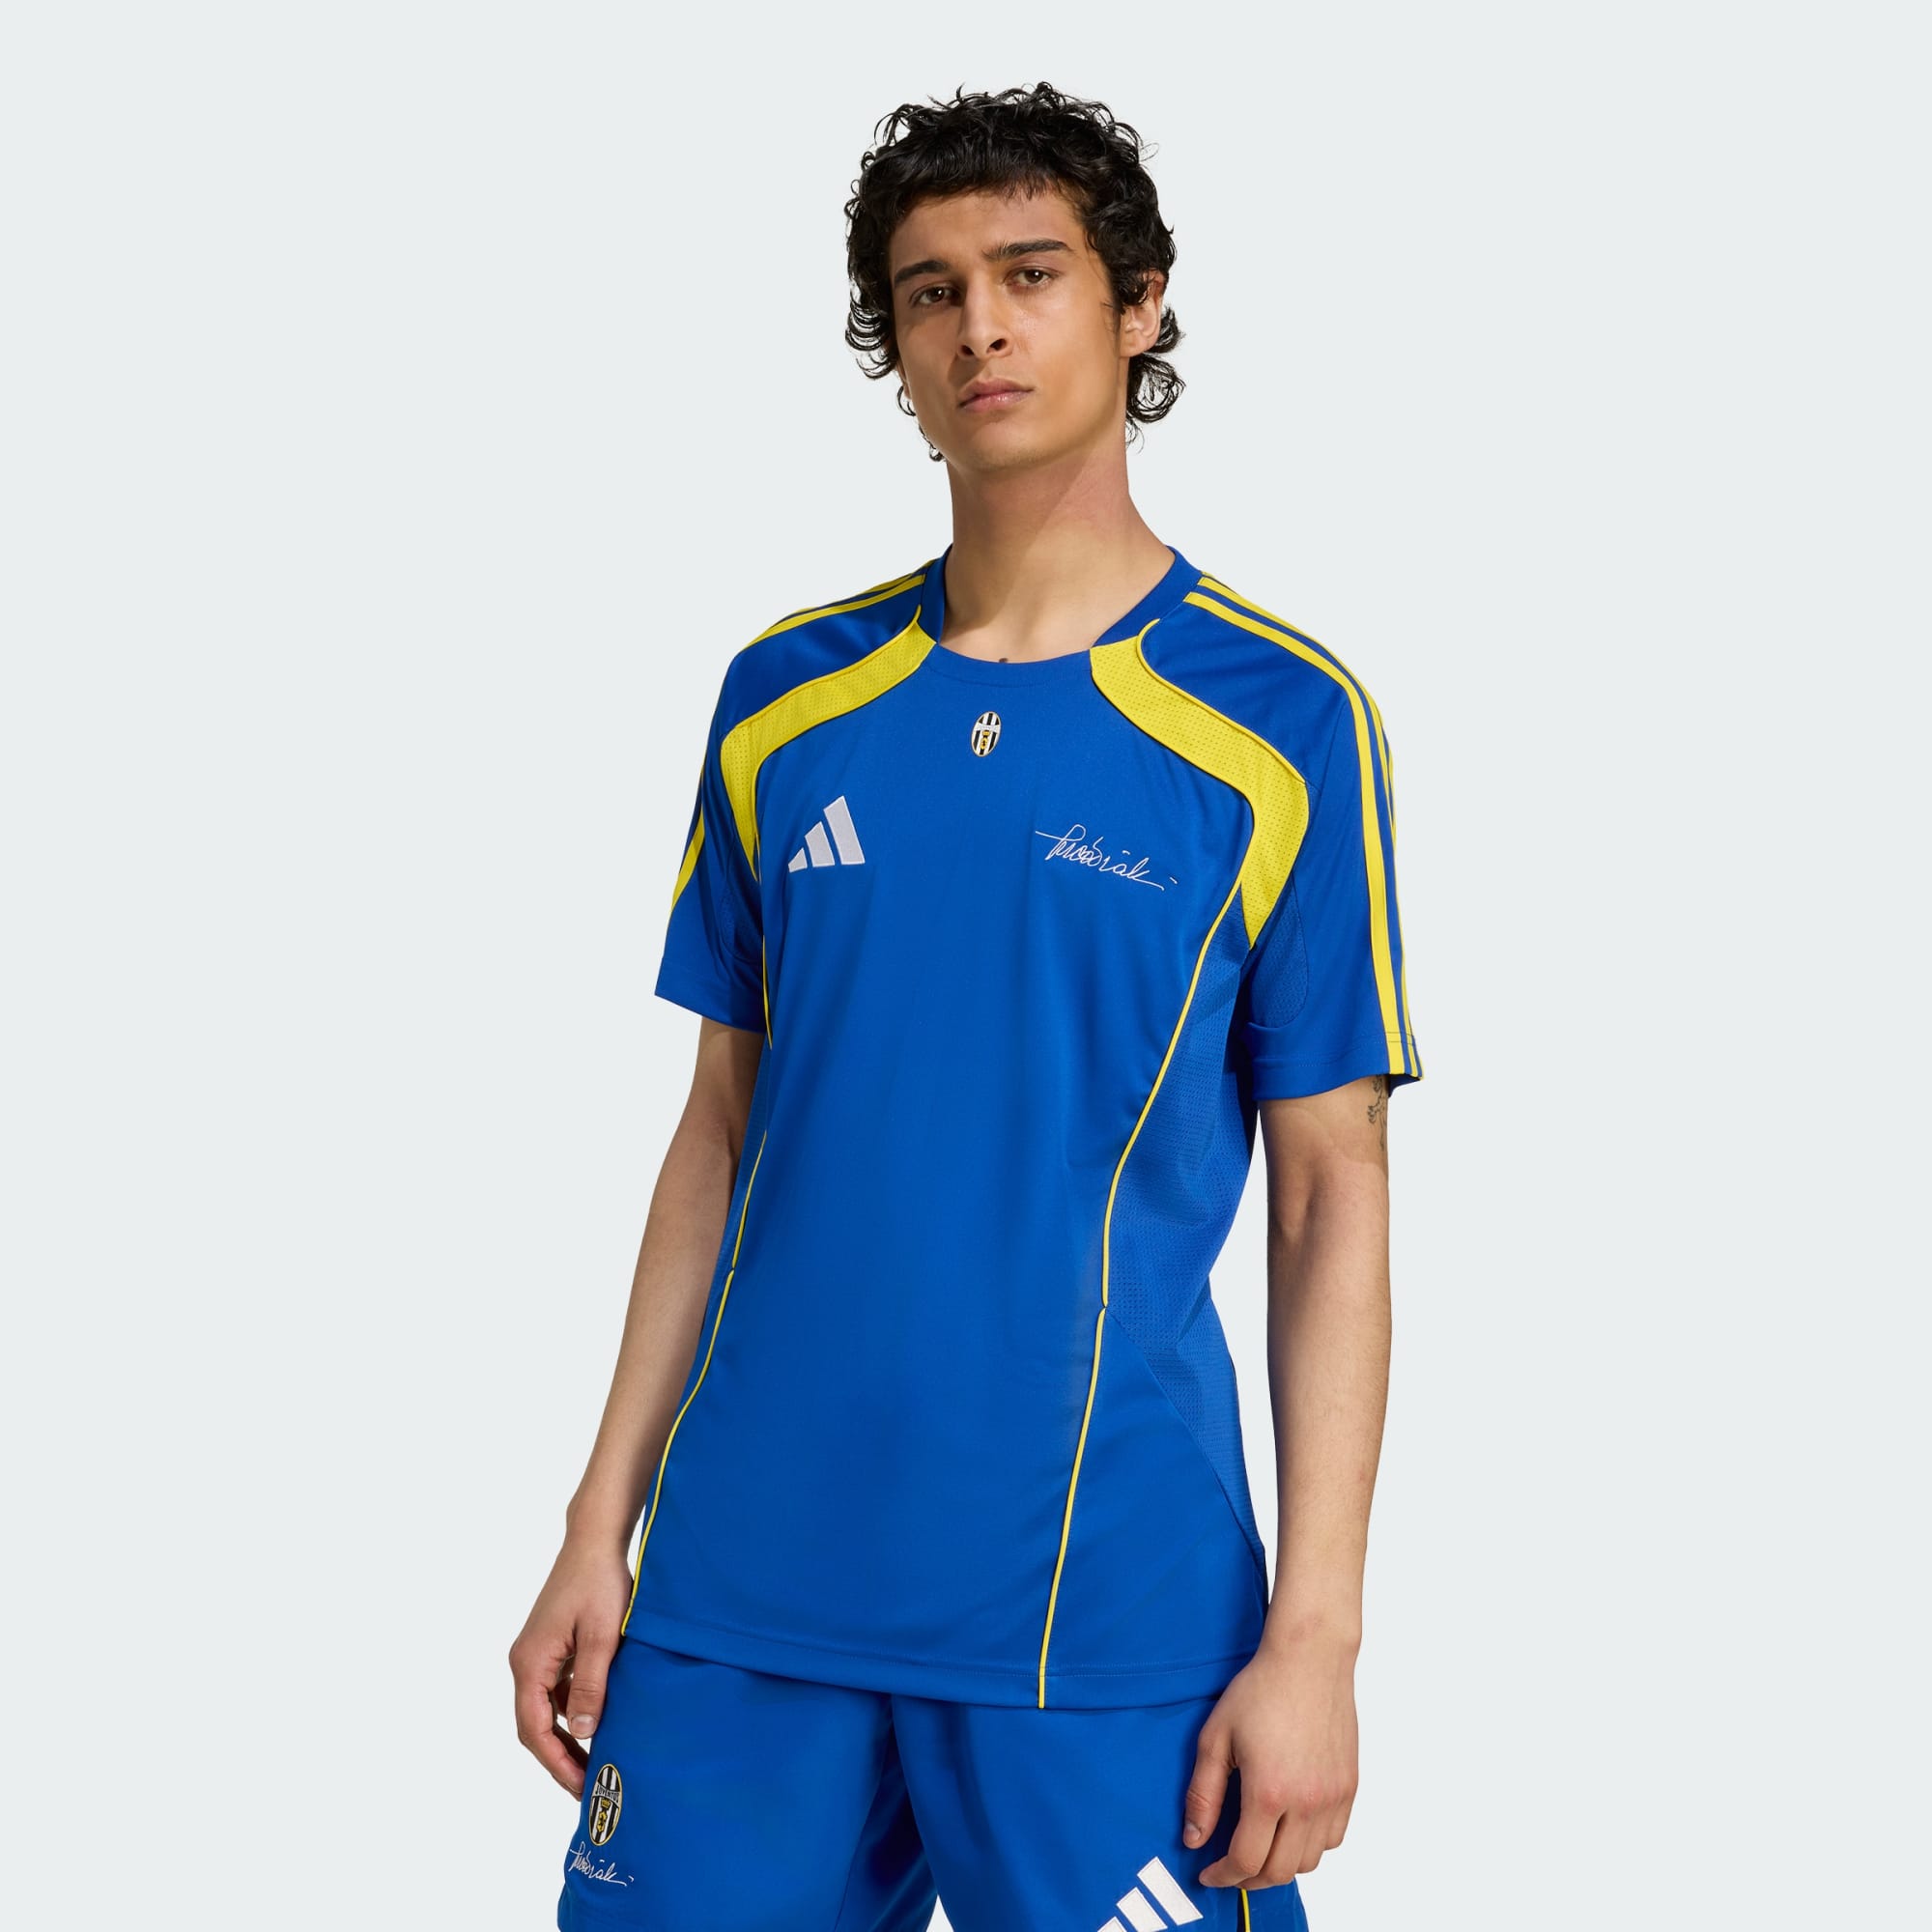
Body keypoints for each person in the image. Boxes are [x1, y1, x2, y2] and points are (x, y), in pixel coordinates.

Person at [512, 80, 1423, 1932]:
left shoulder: (1281, 726)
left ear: (1139, 306)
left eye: (1030, 274)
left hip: (1102, 1616)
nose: (980, 329)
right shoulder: (784, 700)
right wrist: (597, 1524)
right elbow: (720, 1134)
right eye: (931, 293)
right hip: (741, 1601)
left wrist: (1319, 1637)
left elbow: (1331, 1193)